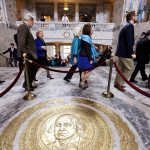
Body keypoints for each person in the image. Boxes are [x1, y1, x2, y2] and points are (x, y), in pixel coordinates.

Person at [114, 11, 137, 92]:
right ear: (132, 17)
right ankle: (120, 83)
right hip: (126, 53)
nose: (136, 17)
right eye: (135, 16)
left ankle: (117, 83)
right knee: (131, 68)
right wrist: (132, 53)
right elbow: (129, 42)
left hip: (121, 52)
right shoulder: (130, 27)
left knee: (121, 69)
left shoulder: (125, 27)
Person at [17, 14, 39, 91]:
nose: (33, 23)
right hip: (28, 54)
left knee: (31, 69)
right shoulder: (23, 27)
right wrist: (28, 53)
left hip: (28, 54)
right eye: (33, 22)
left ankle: (27, 84)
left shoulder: (25, 27)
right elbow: (22, 43)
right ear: (30, 20)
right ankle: (27, 85)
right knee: (30, 70)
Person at [78, 23, 98, 89]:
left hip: (82, 56)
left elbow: (87, 47)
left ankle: (82, 83)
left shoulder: (83, 37)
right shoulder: (87, 38)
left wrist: (93, 46)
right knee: (89, 71)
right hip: (85, 57)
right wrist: (90, 59)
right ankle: (82, 83)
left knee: (83, 71)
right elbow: (88, 50)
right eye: (91, 30)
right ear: (88, 30)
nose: (92, 31)